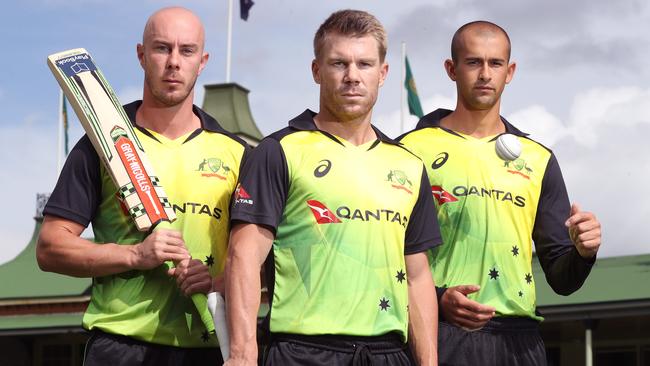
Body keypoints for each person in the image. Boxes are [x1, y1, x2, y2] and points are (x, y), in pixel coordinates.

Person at [225, 9, 442, 366]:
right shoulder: (278, 151)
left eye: (364, 64)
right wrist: (242, 353)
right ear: (317, 71)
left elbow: (417, 277)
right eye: (339, 63)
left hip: (389, 354)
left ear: (383, 73)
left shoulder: (409, 165)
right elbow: (243, 257)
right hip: (303, 351)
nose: (352, 77)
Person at [36, 7, 248, 365]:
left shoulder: (237, 154)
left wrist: (218, 280)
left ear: (203, 60)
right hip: (120, 345)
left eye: (187, 51)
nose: (174, 63)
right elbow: (51, 247)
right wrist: (136, 255)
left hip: (205, 346)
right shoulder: (102, 145)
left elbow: (258, 256)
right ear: (141, 55)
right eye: (162, 48)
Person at [398, 21, 602, 365]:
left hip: (519, 342)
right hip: (440, 334)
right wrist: (438, 298)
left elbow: (562, 279)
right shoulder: (409, 151)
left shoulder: (538, 160)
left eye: (495, 64)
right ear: (452, 69)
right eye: (473, 62)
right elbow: (385, 256)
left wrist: (583, 252)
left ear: (510, 72)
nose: (485, 74)